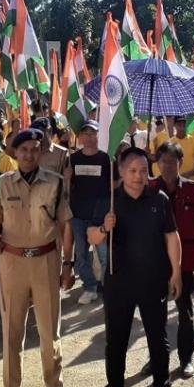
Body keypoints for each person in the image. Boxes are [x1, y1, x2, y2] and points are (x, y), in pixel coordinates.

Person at [0, 128, 75, 387]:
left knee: (50, 331)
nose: (28, 154)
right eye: (23, 150)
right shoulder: (1, 184)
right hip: (12, 263)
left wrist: (67, 264)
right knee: (11, 331)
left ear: (41, 152)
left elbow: (66, 225)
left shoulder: (56, 183)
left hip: (46, 260)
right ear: (14, 153)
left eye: (34, 149)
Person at [91, 147, 184, 387]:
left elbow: (171, 236)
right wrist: (103, 228)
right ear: (121, 171)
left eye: (143, 170)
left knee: (158, 337)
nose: (138, 176)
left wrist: (175, 272)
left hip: (153, 280)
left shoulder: (159, 199)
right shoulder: (109, 200)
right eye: (132, 170)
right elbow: (90, 237)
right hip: (118, 281)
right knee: (116, 338)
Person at [148, 142, 194, 378]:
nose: (167, 165)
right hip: (154, 260)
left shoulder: (192, 191)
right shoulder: (148, 189)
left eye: (172, 161)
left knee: (185, 311)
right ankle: (156, 358)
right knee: (155, 314)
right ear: (157, 163)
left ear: (181, 163)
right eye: (163, 161)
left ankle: (186, 359)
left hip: (185, 260)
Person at [67, 120, 112, 305]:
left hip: (100, 216)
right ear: (80, 137)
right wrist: (67, 179)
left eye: (93, 133)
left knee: (103, 256)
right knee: (82, 256)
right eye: (85, 133)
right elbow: (68, 189)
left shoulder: (106, 158)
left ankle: (108, 287)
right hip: (78, 215)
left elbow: (113, 185)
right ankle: (90, 287)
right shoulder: (73, 159)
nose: (89, 137)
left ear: (98, 135)